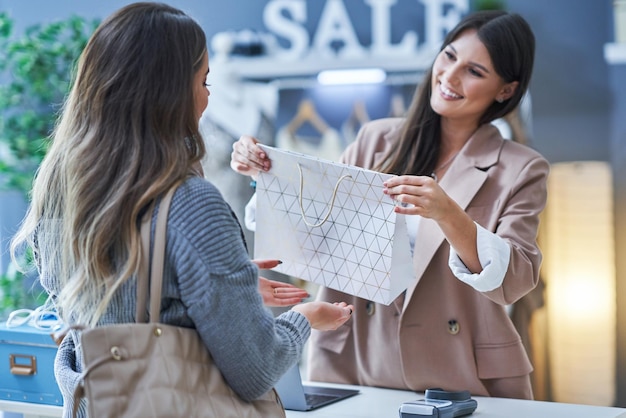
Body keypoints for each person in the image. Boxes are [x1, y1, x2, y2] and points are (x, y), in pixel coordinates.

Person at [10, 3, 354, 417]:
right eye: (204, 80)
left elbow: (96, 308)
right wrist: (303, 317)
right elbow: (256, 369)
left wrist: (222, 293)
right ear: (170, 92)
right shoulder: (191, 204)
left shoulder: (59, 189)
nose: (209, 96)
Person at [230, 10, 548, 399]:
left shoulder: (520, 168)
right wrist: (263, 174)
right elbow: (311, 235)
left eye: (474, 71)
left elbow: (514, 280)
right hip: (355, 361)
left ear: (505, 90)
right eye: (448, 56)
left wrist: (449, 214)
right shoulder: (374, 141)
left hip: (464, 377)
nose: (449, 76)